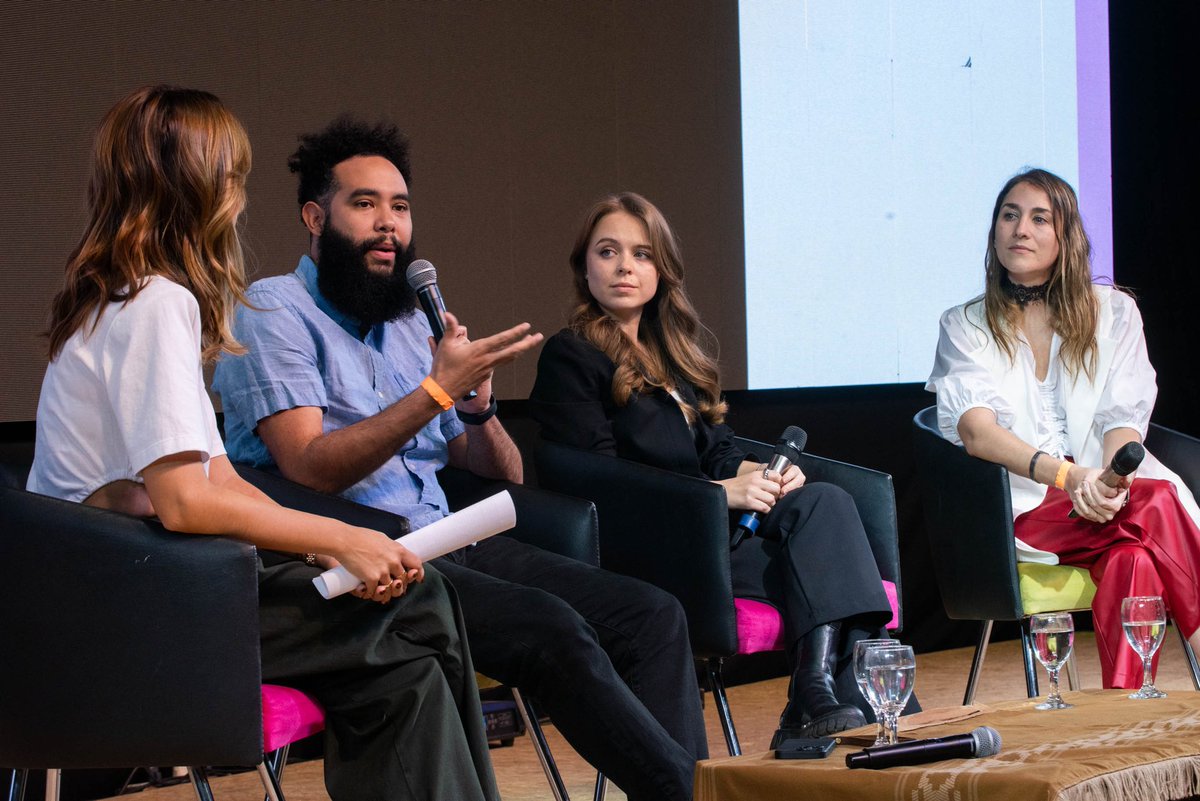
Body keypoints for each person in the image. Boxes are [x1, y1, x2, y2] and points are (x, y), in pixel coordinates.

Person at [212, 118, 708, 801]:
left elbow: (495, 474)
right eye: (365, 205)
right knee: (552, 628)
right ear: (314, 216)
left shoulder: (411, 323)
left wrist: (475, 405)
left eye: (401, 207)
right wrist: (435, 388)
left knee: (653, 615)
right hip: (359, 561)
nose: (389, 224)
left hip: (450, 537)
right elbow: (308, 468)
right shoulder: (274, 310)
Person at [27, 87, 498, 801]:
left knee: (405, 678)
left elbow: (216, 474)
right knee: (421, 604)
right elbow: (185, 503)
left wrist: (331, 539)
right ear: (190, 188)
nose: (239, 200)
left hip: (118, 587)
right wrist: (343, 541)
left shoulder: (119, 296)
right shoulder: (158, 304)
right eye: (231, 179)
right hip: (122, 612)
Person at [528, 191, 897, 745]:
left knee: (825, 500)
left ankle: (813, 688)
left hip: (712, 535)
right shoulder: (572, 355)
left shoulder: (674, 355)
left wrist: (764, 473)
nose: (625, 266)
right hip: (652, 547)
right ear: (585, 267)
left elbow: (718, 449)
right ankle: (835, 700)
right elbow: (595, 481)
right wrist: (716, 494)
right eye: (608, 252)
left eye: (642, 254)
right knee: (832, 568)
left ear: (662, 270)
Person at [926, 167, 1200, 689]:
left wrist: (1109, 483)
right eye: (1009, 216)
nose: (1020, 229)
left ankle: (1126, 707)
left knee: (1132, 556)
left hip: (1109, 498)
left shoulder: (1115, 312)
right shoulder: (963, 323)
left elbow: (1123, 420)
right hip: (1025, 506)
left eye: (1038, 218)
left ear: (1066, 236)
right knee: (1160, 501)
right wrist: (1068, 478)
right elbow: (977, 432)